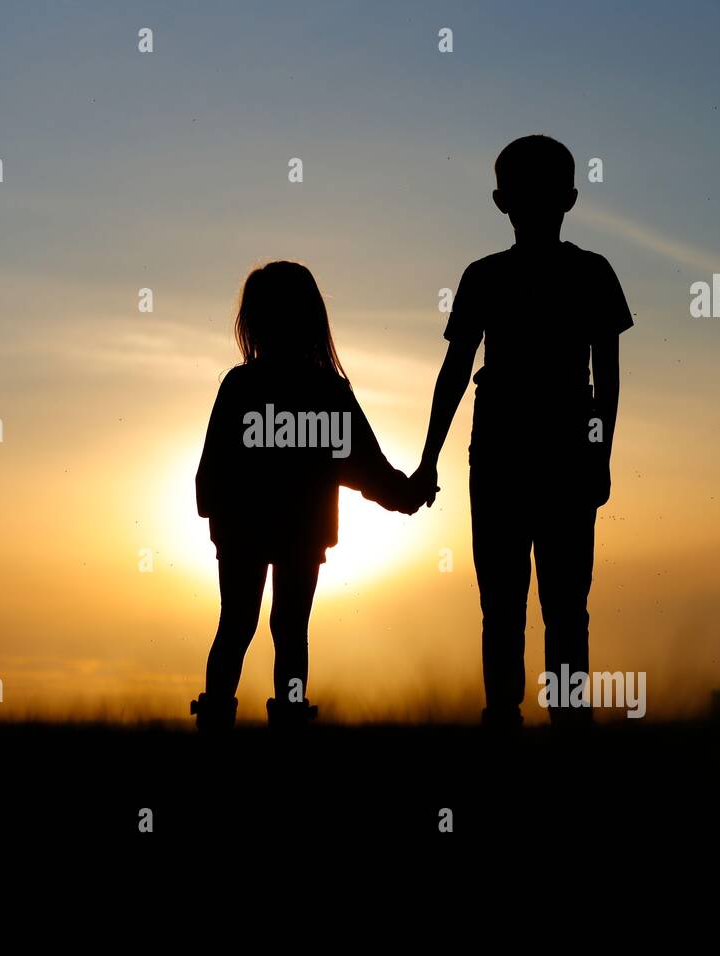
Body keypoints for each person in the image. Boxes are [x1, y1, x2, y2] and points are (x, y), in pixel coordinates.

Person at [411, 135, 634, 729]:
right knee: (554, 606)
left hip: (512, 450)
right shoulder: (584, 273)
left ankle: (513, 718)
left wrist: (429, 459)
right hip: (536, 450)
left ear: (499, 201)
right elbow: (605, 382)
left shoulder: (495, 276)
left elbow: (457, 371)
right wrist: (599, 453)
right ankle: (544, 719)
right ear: (571, 199)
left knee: (513, 604)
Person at [193, 261, 424, 731]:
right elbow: (364, 465)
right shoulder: (326, 390)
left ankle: (216, 719)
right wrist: (404, 493)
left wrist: (215, 508)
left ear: (253, 322)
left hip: (244, 527)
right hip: (298, 527)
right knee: (289, 629)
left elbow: (211, 470)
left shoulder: (241, 386)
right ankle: (290, 722)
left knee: (236, 624)